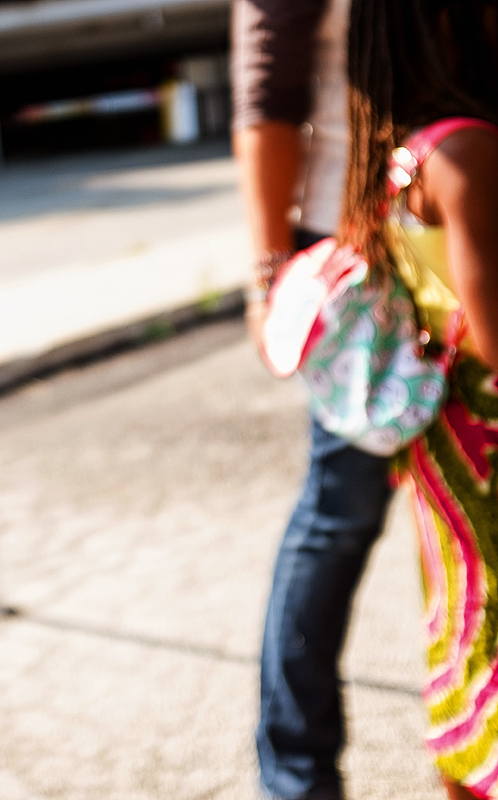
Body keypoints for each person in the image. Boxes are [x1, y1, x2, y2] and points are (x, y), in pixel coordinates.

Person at [232, 1, 393, 797]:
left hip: (452, 214)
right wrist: (270, 283)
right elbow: (268, 97)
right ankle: (295, 773)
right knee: (342, 510)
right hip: (350, 248)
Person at [341, 0, 498, 797]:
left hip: (444, 437)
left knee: (468, 625)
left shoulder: (398, 152)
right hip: (490, 439)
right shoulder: (466, 148)